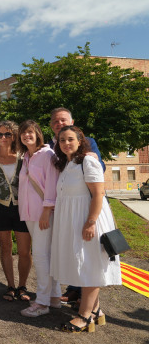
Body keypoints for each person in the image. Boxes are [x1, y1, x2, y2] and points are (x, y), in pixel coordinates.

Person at [51, 126, 122, 332]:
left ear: (80, 141)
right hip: (73, 221)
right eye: (62, 140)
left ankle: (84, 316)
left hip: (88, 220)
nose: (66, 143)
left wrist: (90, 222)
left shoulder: (88, 161)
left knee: (90, 266)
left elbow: (98, 194)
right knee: (84, 264)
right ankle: (96, 311)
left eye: (70, 139)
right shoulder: (67, 164)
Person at [48, 107, 105, 305]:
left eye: (63, 120)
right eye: (55, 121)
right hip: (66, 209)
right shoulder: (53, 150)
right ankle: (80, 295)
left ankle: (86, 307)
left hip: (84, 207)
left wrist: (91, 220)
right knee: (74, 252)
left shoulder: (87, 149)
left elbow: (98, 177)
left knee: (87, 256)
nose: (60, 124)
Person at [17, 120, 61, 317]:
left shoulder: (47, 154)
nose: (27, 136)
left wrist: (46, 210)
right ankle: (54, 297)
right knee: (46, 255)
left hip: (43, 213)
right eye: (23, 133)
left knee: (42, 256)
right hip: (30, 213)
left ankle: (42, 303)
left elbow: (52, 184)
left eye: (30, 132)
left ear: (37, 134)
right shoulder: (27, 156)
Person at [0, 121, 32, 302]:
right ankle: (11, 286)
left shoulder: (24, 156)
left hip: (22, 206)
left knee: (24, 251)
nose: (3, 138)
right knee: (5, 248)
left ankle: (22, 286)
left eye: (7, 134)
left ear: (14, 136)